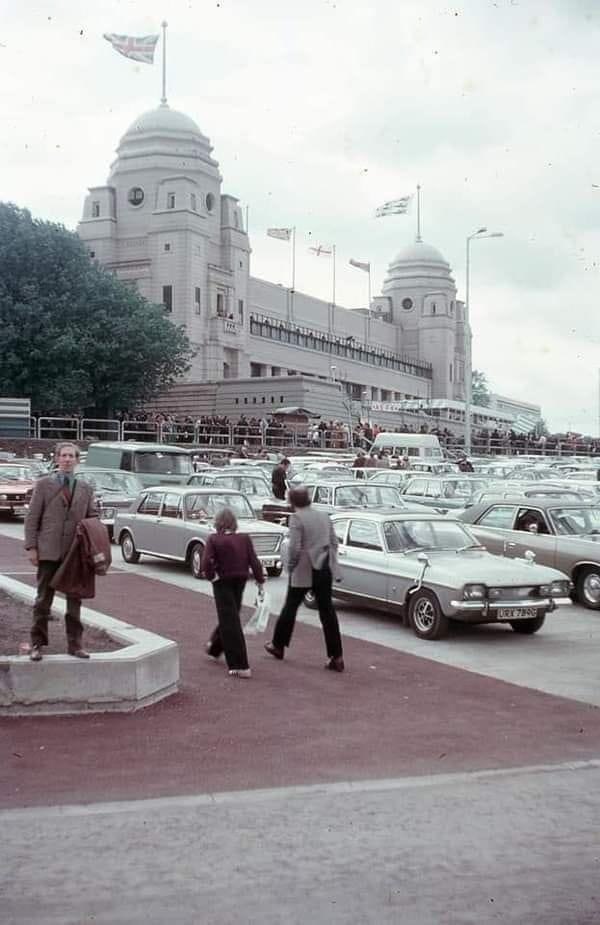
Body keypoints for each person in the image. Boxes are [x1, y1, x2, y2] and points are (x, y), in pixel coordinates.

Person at [24, 441, 98, 661]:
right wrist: (31, 547)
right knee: (43, 600)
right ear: (57, 459)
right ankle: (37, 643)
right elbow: (32, 518)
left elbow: (92, 518)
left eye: (71, 456)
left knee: (74, 600)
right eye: (64, 456)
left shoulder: (85, 488)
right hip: (48, 551)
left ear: (77, 460)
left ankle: (75, 645)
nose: (67, 459)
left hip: (74, 553)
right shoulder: (44, 485)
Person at [265, 486, 344, 672]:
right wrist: (332, 563)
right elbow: (334, 542)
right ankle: (336, 656)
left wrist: (291, 565)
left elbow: (295, 547)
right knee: (327, 612)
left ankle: (278, 645)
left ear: (293, 502)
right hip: (323, 566)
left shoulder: (297, 518)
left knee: (290, 607)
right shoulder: (324, 516)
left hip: (303, 568)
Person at [202, 507, 265, 678]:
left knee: (229, 620)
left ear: (218, 523)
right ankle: (215, 648)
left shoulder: (214, 539)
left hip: (222, 581)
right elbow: (254, 560)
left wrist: (210, 576)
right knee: (231, 615)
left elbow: (206, 561)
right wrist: (260, 580)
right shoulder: (244, 539)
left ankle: (240, 664)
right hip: (240, 579)